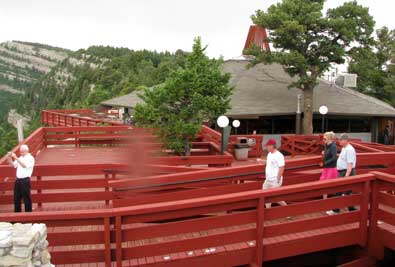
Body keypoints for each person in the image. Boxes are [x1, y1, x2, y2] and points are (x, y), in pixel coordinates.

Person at [327, 133, 357, 215]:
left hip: (346, 172)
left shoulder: (350, 149)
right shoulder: (344, 148)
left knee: (339, 190)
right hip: (343, 171)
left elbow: (350, 164)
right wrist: (337, 155)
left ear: (345, 140)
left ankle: (335, 210)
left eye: (340, 140)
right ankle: (351, 209)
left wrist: (346, 176)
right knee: (347, 192)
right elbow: (344, 158)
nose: (339, 141)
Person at [258, 139, 287, 208]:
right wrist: (262, 161)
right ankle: (268, 211)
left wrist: (278, 179)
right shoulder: (269, 154)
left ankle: (287, 209)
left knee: (274, 197)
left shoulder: (279, 155)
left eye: (267, 146)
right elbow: (268, 162)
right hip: (268, 179)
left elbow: (281, 167)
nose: (266, 147)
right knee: (264, 195)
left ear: (272, 146)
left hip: (275, 180)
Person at [7, 144, 35, 212]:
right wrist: (9, 157)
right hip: (18, 180)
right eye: (20, 152)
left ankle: (28, 213)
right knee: (16, 198)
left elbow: (24, 165)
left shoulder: (30, 158)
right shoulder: (20, 158)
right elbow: (13, 165)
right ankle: (17, 213)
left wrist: (16, 157)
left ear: (26, 151)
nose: (21, 153)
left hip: (25, 180)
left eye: (22, 151)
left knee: (26, 198)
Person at [320, 132, 338, 199]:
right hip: (326, 168)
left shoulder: (333, 146)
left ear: (329, 139)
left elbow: (334, 158)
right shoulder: (326, 146)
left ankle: (333, 200)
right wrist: (324, 153)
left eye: (324, 139)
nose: (323, 140)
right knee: (323, 183)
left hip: (331, 168)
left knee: (327, 185)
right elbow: (328, 154)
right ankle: (325, 200)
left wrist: (325, 163)